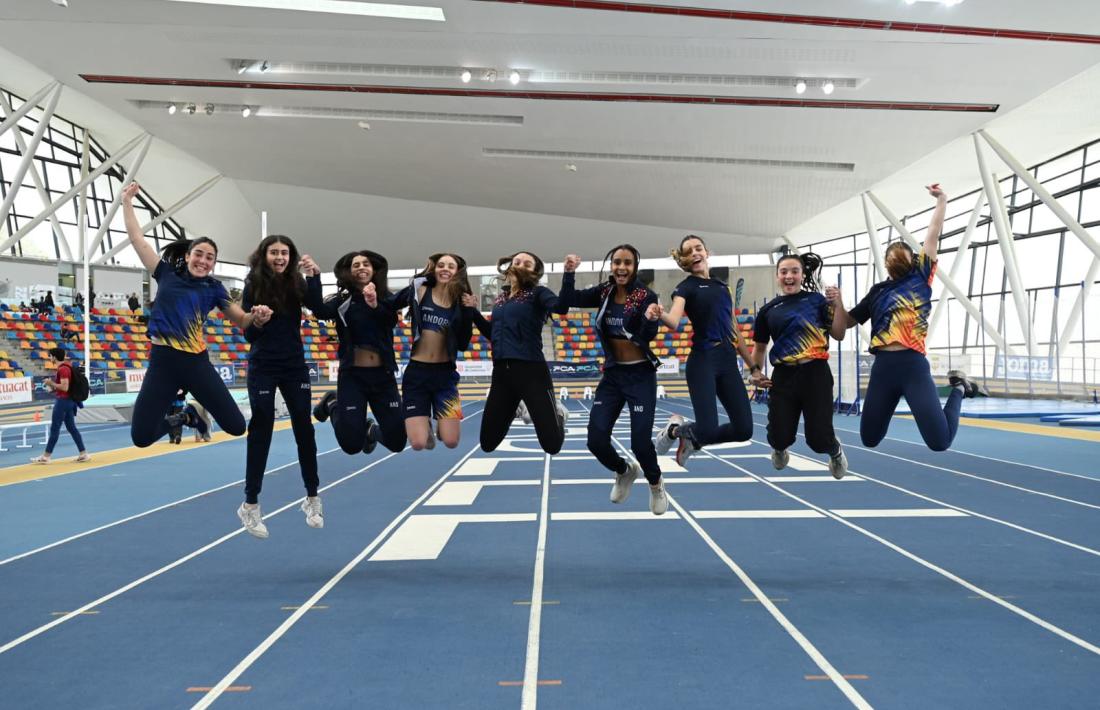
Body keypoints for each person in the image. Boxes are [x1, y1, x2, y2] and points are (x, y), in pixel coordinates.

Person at [827, 184, 982, 452]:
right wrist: (838, 303)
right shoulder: (877, 292)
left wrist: (942, 201)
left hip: (912, 366)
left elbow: (933, 234)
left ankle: (959, 388)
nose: (895, 255)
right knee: (870, 438)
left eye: (903, 252)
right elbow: (847, 323)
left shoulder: (920, 276)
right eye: (890, 254)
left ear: (913, 260)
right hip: (884, 368)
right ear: (885, 263)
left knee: (940, 442)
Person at [121, 182, 253, 447]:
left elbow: (241, 319)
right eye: (199, 254)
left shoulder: (214, 289)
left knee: (237, 426)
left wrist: (257, 316)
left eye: (210, 258)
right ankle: (187, 415)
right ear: (188, 255)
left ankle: (194, 411)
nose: (203, 261)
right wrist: (127, 201)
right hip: (162, 364)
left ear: (214, 264)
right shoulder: (165, 272)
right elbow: (137, 239)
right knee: (142, 437)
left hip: (196, 364)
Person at [558, 245, 668, 514]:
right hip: (614, 375)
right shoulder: (604, 292)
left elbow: (646, 335)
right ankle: (623, 470)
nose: (621, 267)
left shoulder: (644, 295)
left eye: (627, 263)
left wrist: (652, 319)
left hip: (640, 375)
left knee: (640, 444)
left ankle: (655, 484)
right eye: (617, 262)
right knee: (595, 439)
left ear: (635, 267)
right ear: (611, 265)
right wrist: (568, 272)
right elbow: (569, 299)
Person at [237, 235, 321, 539]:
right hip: (263, 365)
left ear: (292, 256)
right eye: (274, 252)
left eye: (284, 253)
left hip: (293, 364)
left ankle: (312, 498)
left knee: (304, 426)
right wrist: (257, 321)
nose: (280, 257)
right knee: (262, 427)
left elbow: (318, 307)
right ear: (264, 255)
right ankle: (250, 503)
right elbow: (249, 336)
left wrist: (315, 277)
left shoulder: (297, 283)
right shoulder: (252, 285)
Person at [654, 235, 755, 466]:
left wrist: (754, 368)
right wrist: (660, 314)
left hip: (727, 361)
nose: (695, 253)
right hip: (703, 361)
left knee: (744, 430)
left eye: (698, 248)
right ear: (685, 261)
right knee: (708, 428)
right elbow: (673, 321)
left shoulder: (722, 287)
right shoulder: (685, 287)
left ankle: (693, 440)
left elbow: (735, 330)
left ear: (706, 252)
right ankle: (675, 431)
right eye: (689, 252)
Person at [750, 253, 847, 479]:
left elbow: (839, 333)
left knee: (819, 439)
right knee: (778, 436)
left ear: (802, 275)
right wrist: (754, 372)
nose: (789, 276)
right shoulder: (768, 311)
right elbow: (760, 347)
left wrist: (838, 303)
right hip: (783, 376)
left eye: (794, 271)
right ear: (777, 277)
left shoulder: (817, 301)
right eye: (784, 272)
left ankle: (835, 451)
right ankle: (779, 447)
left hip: (816, 374)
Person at [304, 251, 407, 457]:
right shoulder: (343, 301)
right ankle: (332, 403)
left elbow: (389, 321)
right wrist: (314, 277)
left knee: (397, 442)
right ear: (348, 272)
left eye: (366, 264)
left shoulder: (387, 298)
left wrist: (374, 302)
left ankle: (370, 430)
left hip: (383, 377)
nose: (361, 267)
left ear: (374, 269)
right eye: (356, 265)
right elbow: (320, 311)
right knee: (351, 445)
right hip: (353, 377)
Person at [468, 250, 569, 455]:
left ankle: (557, 415)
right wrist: (473, 311)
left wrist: (568, 275)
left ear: (535, 272)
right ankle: (515, 406)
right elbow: (493, 334)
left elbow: (561, 307)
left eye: (527, 263)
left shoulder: (538, 293)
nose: (520, 264)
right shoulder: (501, 299)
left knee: (552, 445)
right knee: (488, 443)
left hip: (532, 372)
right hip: (502, 375)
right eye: (517, 261)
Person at [392, 253, 481, 450]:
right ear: (434, 268)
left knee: (451, 441)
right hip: (417, 374)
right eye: (441, 265)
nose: (445, 269)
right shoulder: (421, 290)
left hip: (445, 376)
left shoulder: (461, 302)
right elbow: (391, 303)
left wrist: (468, 312)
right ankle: (425, 425)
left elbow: (463, 343)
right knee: (418, 443)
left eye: (451, 266)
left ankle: (440, 426)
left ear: (458, 272)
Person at [30, 348, 90, 464]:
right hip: (68, 401)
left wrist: (50, 383)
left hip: (63, 402)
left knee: (55, 428)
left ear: (54, 357)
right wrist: (53, 388)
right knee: (72, 428)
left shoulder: (63, 370)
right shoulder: (66, 367)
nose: (49, 358)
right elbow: (65, 388)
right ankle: (83, 453)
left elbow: (65, 387)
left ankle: (46, 456)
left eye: (50, 356)